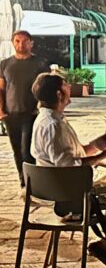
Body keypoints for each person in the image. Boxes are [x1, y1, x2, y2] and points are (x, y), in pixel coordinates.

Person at [29, 72, 106, 246]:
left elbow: (77, 152)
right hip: (68, 194)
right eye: (66, 85)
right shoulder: (52, 125)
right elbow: (69, 165)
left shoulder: (53, 120)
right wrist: (104, 155)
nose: (70, 88)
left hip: (64, 186)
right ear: (59, 94)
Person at [0, 30, 52, 187]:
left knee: (27, 150)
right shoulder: (5, 64)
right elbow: (1, 89)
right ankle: (24, 182)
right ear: (13, 42)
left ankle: (33, 184)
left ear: (31, 43)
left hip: (32, 113)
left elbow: (46, 87)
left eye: (24, 41)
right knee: (17, 151)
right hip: (11, 113)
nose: (20, 44)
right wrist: (1, 110)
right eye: (17, 41)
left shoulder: (40, 63)